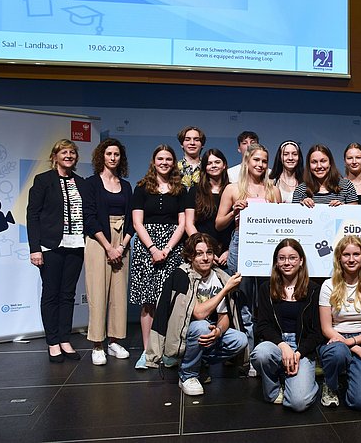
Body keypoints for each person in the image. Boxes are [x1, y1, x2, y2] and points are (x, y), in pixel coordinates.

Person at [145, 233, 247, 396]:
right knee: (201, 326)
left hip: (207, 333)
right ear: (190, 256)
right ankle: (187, 375)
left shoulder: (219, 277)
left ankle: (200, 363)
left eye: (209, 252)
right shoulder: (182, 276)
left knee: (239, 339)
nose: (205, 258)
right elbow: (199, 313)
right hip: (182, 336)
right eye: (199, 253)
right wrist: (225, 290)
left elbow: (224, 316)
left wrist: (218, 331)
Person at [217, 143, 281, 371]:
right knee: (242, 301)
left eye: (264, 161)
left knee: (265, 301)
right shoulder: (233, 188)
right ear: (247, 161)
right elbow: (219, 223)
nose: (261, 165)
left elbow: (282, 221)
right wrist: (235, 210)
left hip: (267, 249)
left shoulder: (273, 190)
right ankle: (247, 355)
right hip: (240, 245)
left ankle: (264, 352)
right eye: (256, 160)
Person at [27, 139, 87, 362]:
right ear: (55, 156)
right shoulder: (43, 180)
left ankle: (64, 339)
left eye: (72, 152)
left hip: (76, 245)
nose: (69, 155)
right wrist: (35, 248)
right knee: (51, 293)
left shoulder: (81, 183)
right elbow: (32, 215)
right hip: (50, 245)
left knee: (68, 294)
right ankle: (52, 342)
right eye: (64, 152)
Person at [130, 144, 187, 369]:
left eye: (168, 159)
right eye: (160, 159)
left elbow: (182, 223)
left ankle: (167, 350)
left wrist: (168, 248)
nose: (164, 162)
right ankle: (147, 351)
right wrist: (153, 248)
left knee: (170, 302)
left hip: (173, 247)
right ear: (153, 162)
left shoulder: (179, 189)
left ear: (174, 163)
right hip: (147, 247)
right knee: (149, 302)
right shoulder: (141, 188)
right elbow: (137, 223)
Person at [250, 239, 322, 412]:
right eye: (282, 258)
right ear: (276, 261)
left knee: (298, 403)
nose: (287, 262)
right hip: (276, 344)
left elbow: (317, 332)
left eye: (292, 258)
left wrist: (298, 353)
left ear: (301, 261)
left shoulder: (314, 290)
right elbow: (262, 326)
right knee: (261, 354)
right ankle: (274, 390)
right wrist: (282, 346)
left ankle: (300, 380)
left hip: (302, 349)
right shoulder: (266, 288)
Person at [83, 138, 134, 366]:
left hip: (121, 241)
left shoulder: (126, 186)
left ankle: (114, 341)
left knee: (118, 294)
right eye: (108, 154)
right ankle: (97, 344)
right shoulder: (91, 183)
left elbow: (132, 220)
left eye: (116, 154)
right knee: (97, 293)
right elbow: (90, 218)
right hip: (99, 241)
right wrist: (108, 247)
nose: (113, 158)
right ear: (101, 157)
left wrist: (121, 246)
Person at [318, 235, 361, 410]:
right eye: (346, 254)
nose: (351, 259)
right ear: (339, 258)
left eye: (356, 254)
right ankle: (330, 384)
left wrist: (355, 343)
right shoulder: (328, 285)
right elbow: (326, 328)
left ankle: (354, 375)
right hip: (335, 340)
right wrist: (352, 346)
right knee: (338, 353)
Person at [185, 149, 233, 268]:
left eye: (217, 162)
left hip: (227, 255)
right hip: (201, 254)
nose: (213, 166)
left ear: (224, 165)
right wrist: (205, 251)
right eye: (209, 163)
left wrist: (230, 252)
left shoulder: (233, 190)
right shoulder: (194, 191)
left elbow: (238, 227)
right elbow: (189, 224)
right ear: (204, 167)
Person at [292, 144, 358, 206]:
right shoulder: (300, 191)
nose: (319, 166)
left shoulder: (346, 186)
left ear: (330, 163)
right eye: (314, 162)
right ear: (309, 165)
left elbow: (355, 215)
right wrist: (301, 208)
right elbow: (294, 216)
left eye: (323, 161)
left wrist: (343, 208)